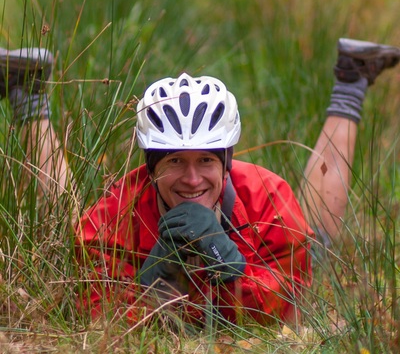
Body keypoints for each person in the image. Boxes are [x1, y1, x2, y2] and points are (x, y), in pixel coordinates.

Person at [1, 37, 399, 327]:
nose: (192, 179)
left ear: (227, 163)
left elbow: (290, 309)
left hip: (269, 252)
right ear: (150, 166)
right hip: (125, 245)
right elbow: (102, 319)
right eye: (175, 161)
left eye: (206, 160)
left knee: (321, 251)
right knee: (70, 229)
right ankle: (29, 95)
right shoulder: (109, 214)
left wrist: (228, 267)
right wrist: (156, 282)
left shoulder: (268, 195)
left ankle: (351, 80)